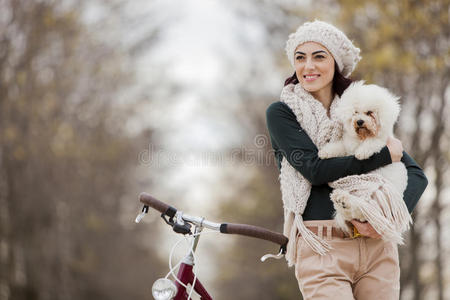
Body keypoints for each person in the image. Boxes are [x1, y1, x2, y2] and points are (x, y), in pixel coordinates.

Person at [265, 20, 428, 300]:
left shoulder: (360, 111)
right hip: (321, 245)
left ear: (336, 63)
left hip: (378, 247)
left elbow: (415, 174)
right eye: (300, 58)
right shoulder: (282, 113)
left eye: (319, 56)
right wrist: (383, 155)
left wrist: (385, 220)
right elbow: (314, 170)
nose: (308, 66)